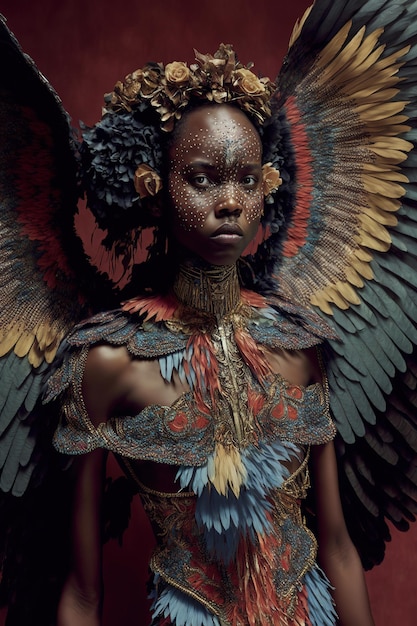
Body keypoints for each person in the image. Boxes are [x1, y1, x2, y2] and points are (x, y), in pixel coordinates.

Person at [44, 44, 376, 626]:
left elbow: (340, 551)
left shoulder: (299, 348)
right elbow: (82, 591)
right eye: (202, 179)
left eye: (246, 180)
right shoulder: (107, 362)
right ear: (156, 187)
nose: (229, 202)